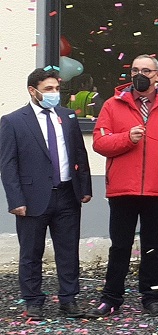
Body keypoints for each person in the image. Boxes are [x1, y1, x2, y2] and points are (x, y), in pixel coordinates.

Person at [88, 56, 158, 318]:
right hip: (123, 187)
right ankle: (111, 298)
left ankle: (152, 296)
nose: (139, 74)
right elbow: (99, 143)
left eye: (145, 70)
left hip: (157, 188)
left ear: (157, 76)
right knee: (120, 245)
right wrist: (127, 138)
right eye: (135, 70)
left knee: (152, 245)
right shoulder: (113, 104)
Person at [0, 68, 93, 320]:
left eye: (57, 89)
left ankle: (69, 299)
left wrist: (84, 187)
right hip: (32, 198)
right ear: (33, 91)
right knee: (31, 252)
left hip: (66, 194)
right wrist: (15, 199)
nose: (54, 94)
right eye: (48, 89)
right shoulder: (13, 121)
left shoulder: (68, 116)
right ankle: (33, 301)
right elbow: (7, 164)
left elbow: (79, 153)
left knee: (68, 250)